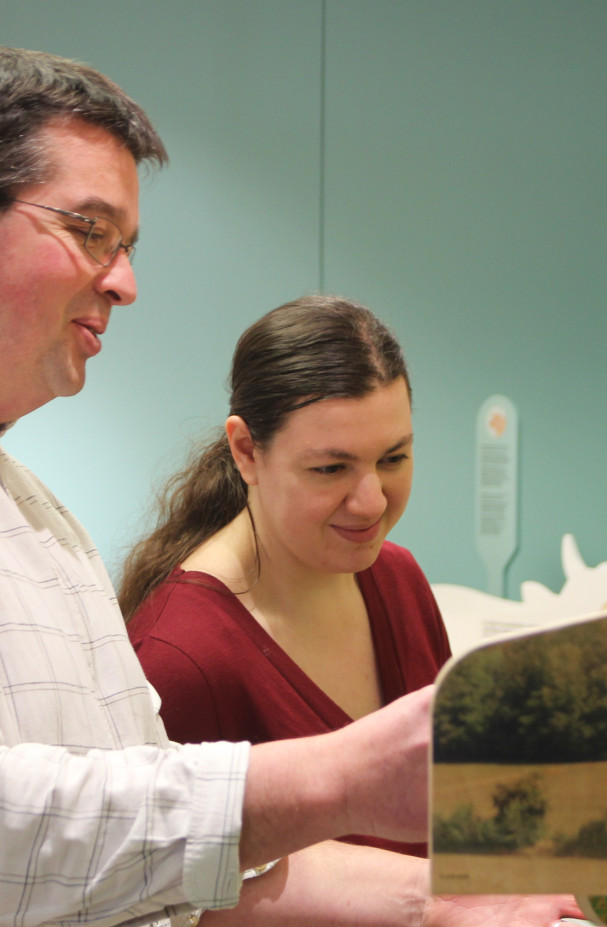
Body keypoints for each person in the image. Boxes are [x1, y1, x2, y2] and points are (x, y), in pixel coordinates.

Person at [0, 45, 581, 927]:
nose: (124, 282)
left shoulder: (17, 499)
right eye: (91, 231)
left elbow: (148, 832)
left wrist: (443, 900)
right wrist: (344, 774)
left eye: (125, 242)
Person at [123, 296, 450, 860]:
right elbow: (167, 897)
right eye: (330, 469)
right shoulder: (180, 658)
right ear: (247, 451)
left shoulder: (398, 578)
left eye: (393, 459)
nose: (372, 501)